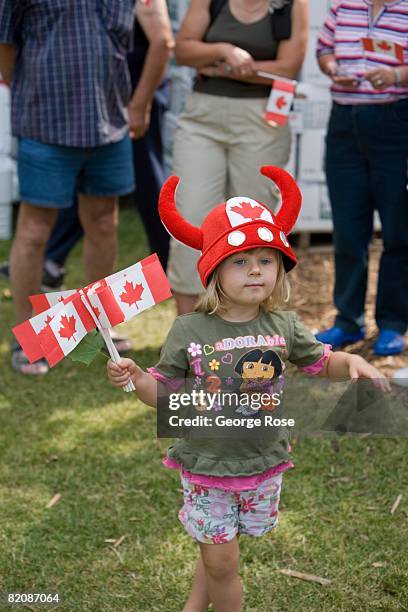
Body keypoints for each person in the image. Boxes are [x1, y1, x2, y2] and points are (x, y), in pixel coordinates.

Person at [107, 166, 389, 612]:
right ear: (215, 270)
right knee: (222, 562)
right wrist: (137, 378)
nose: (255, 271)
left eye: (266, 260)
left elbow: (320, 363)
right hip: (208, 464)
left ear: (279, 268)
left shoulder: (284, 325)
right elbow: (162, 394)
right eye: (240, 261)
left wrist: (350, 360)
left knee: (221, 547)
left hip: (262, 462)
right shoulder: (189, 329)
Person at [0, 0, 140, 374]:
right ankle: (28, 336)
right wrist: (36, 95)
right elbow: (5, 46)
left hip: (109, 124)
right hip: (45, 125)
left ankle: (98, 324)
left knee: (104, 223)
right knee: (33, 230)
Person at [166, 0, 309, 316]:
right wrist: (225, 50)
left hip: (262, 121)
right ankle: (188, 332)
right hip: (203, 116)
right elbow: (184, 51)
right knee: (190, 217)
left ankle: (246, 329)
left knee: (254, 229)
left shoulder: (293, 4)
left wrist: (223, 69)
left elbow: (287, 67)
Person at [315, 0, 408, 355]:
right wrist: (332, 67)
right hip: (344, 123)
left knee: (399, 230)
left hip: (396, 122)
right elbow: (324, 48)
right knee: (349, 230)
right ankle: (347, 321)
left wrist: (397, 75)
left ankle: (393, 324)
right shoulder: (343, 6)